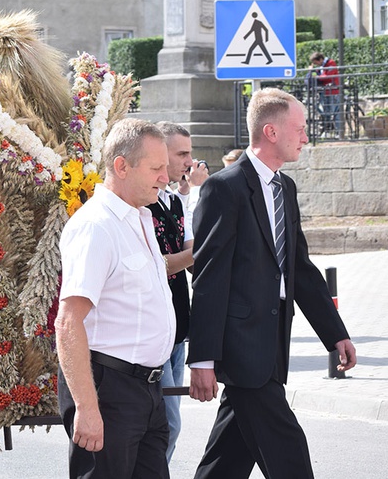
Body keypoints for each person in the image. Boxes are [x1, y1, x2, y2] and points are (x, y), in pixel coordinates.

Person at [187, 88, 357, 479]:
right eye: (299, 129)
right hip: (240, 348)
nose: (306, 137)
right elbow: (210, 277)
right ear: (271, 132)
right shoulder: (224, 188)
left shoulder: (286, 188)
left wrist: (335, 334)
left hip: (272, 347)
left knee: (225, 461)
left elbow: (300, 270)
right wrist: (203, 359)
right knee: (289, 451)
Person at [56, 118, 175, 478]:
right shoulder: (96, 226)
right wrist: (87, 408)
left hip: (147, 391)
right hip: (109, 391)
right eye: (156, 168)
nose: (166, 177)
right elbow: (68, 321)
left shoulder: (138, 217)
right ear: (121, 166)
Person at [148, 122, 197, 463]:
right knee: (168, 424)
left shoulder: (173, 202)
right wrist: (209, 248)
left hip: (179, 328)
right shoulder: (144, 205)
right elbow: (159, 264)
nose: (188, 161)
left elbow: (189, 259)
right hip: (156, 331)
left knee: (169, 424)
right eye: (182, 153)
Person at [309, 52, 341, 136]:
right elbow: (316, 75)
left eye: (316, 63)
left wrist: (317, 76)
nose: (316, 65)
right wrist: (312, 72)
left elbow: (327, 76)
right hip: (325, 91)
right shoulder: (322, 66)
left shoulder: (331, 63)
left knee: (335, 112)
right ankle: (328, 132)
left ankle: (339, 132)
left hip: (333, 91)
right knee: (327, 112)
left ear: (320, 59)